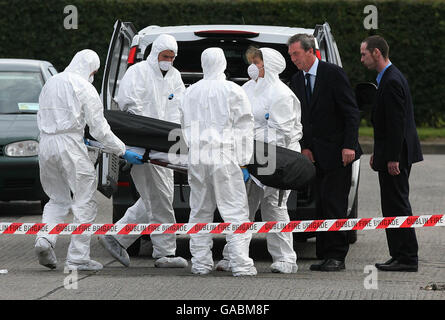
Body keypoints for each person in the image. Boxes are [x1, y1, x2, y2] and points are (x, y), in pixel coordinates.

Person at [35, 49, 143, 271]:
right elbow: (100, 129)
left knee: (57, 198)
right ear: (90, 69)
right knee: (84, 200)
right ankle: (78, 258)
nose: (93, 75)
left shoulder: (51, 82)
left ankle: (44, 240)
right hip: (71, 146)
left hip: (45, 144)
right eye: (94, 71)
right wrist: (122, 150)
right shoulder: (85, 87)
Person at [98, 34, 188, 269]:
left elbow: (180, 108)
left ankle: (117, 236)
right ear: (155, 53)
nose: (168, 60)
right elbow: (129, 106)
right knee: (159, 199)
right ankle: (165, 253)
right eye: (165, 56)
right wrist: (146, 135)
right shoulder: (137, 72)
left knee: (157, 197)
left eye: (172, 57)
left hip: (166, 146)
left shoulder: (175, 76)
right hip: (142, 145)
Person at [215, 46, 302, 274]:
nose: (253, 67)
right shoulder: (247, 89)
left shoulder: (282, 94)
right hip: (250, 156)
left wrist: (248, 139)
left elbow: (281, 133)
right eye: (253, 62)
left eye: (258, 63)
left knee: (274, 206)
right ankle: (234, 255)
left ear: (270, 66)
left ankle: (285, 258)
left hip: (277, 157)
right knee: (242, 206)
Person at [288, 34, 362, 271]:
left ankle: (337, 256)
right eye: (290, 55)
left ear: (311, 52)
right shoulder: (297, 80)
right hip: (315, 154)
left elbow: (351, 112)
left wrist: (349, 145)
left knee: (335, 204)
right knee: (321, 204)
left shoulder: (332, 74)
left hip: (340, 152)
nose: (293, 59)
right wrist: (305, 147)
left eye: (296, 54)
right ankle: (324, 253)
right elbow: (302, 119)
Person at [180, 47, 256, 276]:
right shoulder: (233, 90)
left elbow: (183, 125)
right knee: (234, 211)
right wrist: (243, 161)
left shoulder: (190, 92)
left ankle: (201, 263)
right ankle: (241, 264)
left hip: (197, 156)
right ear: (223, 63)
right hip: (224, 156)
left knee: (200, 211)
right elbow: (244, 126)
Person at [360, 35, 422, 272]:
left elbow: (397, 124)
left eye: (364, 53)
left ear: (377, 52)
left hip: (397, 156)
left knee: (397, 205)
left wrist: (393, 157)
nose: (361, 58)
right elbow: (386, 125)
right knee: (391, 205)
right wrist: (379, 152)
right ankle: (399, 254)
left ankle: (407, 257)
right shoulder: (386, 78)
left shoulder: (392, 80)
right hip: (389, 154)